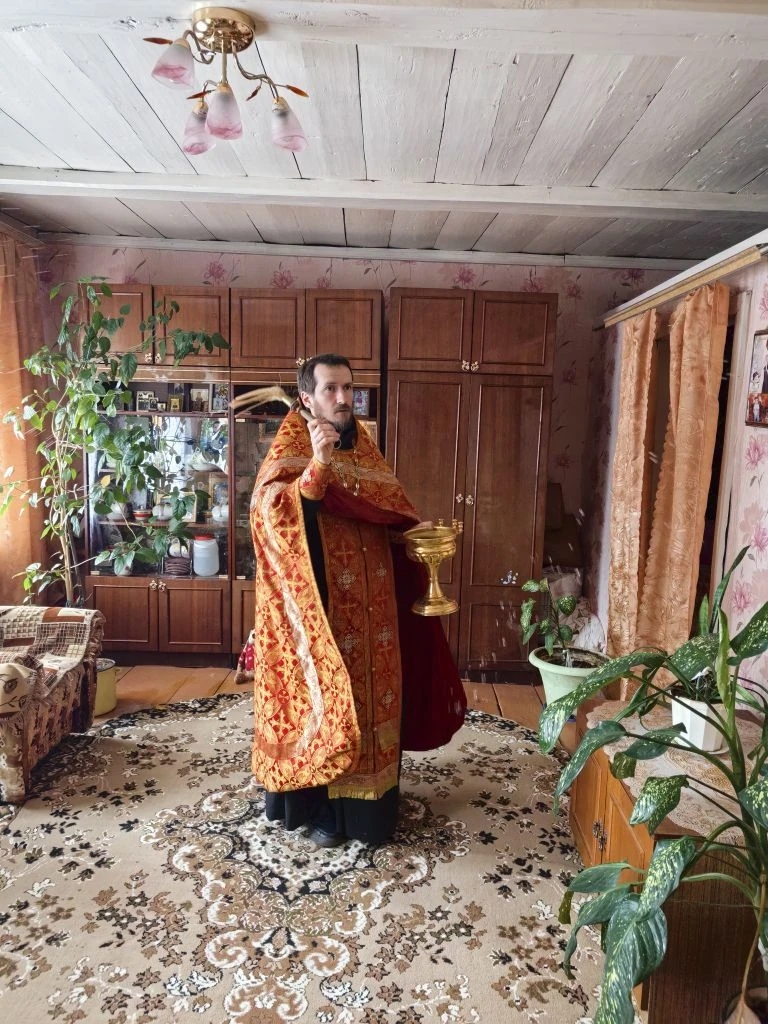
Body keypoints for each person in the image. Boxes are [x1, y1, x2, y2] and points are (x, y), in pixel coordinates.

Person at [249, 353, 465, 848]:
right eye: (331, 388)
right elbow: (270, 515)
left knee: (374, 698)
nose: (343, 398)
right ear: (307, 397)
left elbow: (384, 509)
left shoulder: (363, 443)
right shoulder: (292, 442)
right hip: (321, 608)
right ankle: (322, 809)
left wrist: (414, 537)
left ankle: (370, 809)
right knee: (330, 701)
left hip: (376, 606)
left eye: (349, 388)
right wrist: (318, 466)